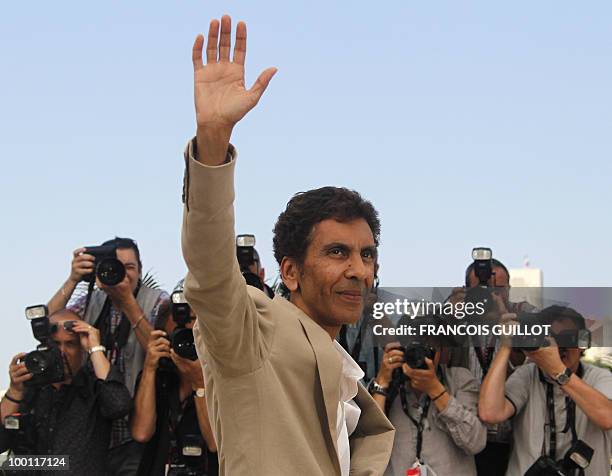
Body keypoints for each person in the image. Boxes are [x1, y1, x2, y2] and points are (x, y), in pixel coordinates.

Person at [181, 15, 394, 475]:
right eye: (337, 252)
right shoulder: (255, 332)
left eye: (367, 254)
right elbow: (212, 273)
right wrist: (214, 141)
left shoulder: (350, 377)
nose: (358, 269)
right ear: (291, 271)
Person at [47, 237, 169, 475]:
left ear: (140, 271)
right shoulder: (92, 300)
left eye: (130, 267)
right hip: (93, 430)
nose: (122, 273)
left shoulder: (157, 300)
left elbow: (159, 352)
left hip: (136, 429)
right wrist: (72, 280)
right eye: (115, 266)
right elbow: (47, 327)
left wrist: (128, 302)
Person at [479, 306, 612, 476]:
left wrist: (558, 371)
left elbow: (607, 418)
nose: (559, 348)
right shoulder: (528, 375)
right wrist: (506, 345)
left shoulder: (599, 377)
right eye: (551, 340)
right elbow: (490, 413)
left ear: (582, 343)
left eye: (567, 339)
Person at [0, 309, 132, 476]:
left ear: (82, 348)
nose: (62, 352)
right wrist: (15, 391)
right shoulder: (31, 386)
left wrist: (96, 349)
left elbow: (119, 405)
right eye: (54, 344)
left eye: (70, 344)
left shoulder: (94, 385)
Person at [370, 327, 486, 475]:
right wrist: (382, 382)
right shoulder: (387, 384)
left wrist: (435, 390)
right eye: (413, 348)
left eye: (428, 348)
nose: (420, 355)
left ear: (441, 352)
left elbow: (475, 443)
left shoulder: (460, 380)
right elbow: (371, 448)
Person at [132, 287, 217, 476]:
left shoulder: (221, 379)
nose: (185, 343)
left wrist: (200, 384)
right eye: (178, 335)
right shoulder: (157, 377)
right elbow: (141, 433)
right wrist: (149, 368)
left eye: (192, 336)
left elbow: (214, 443)